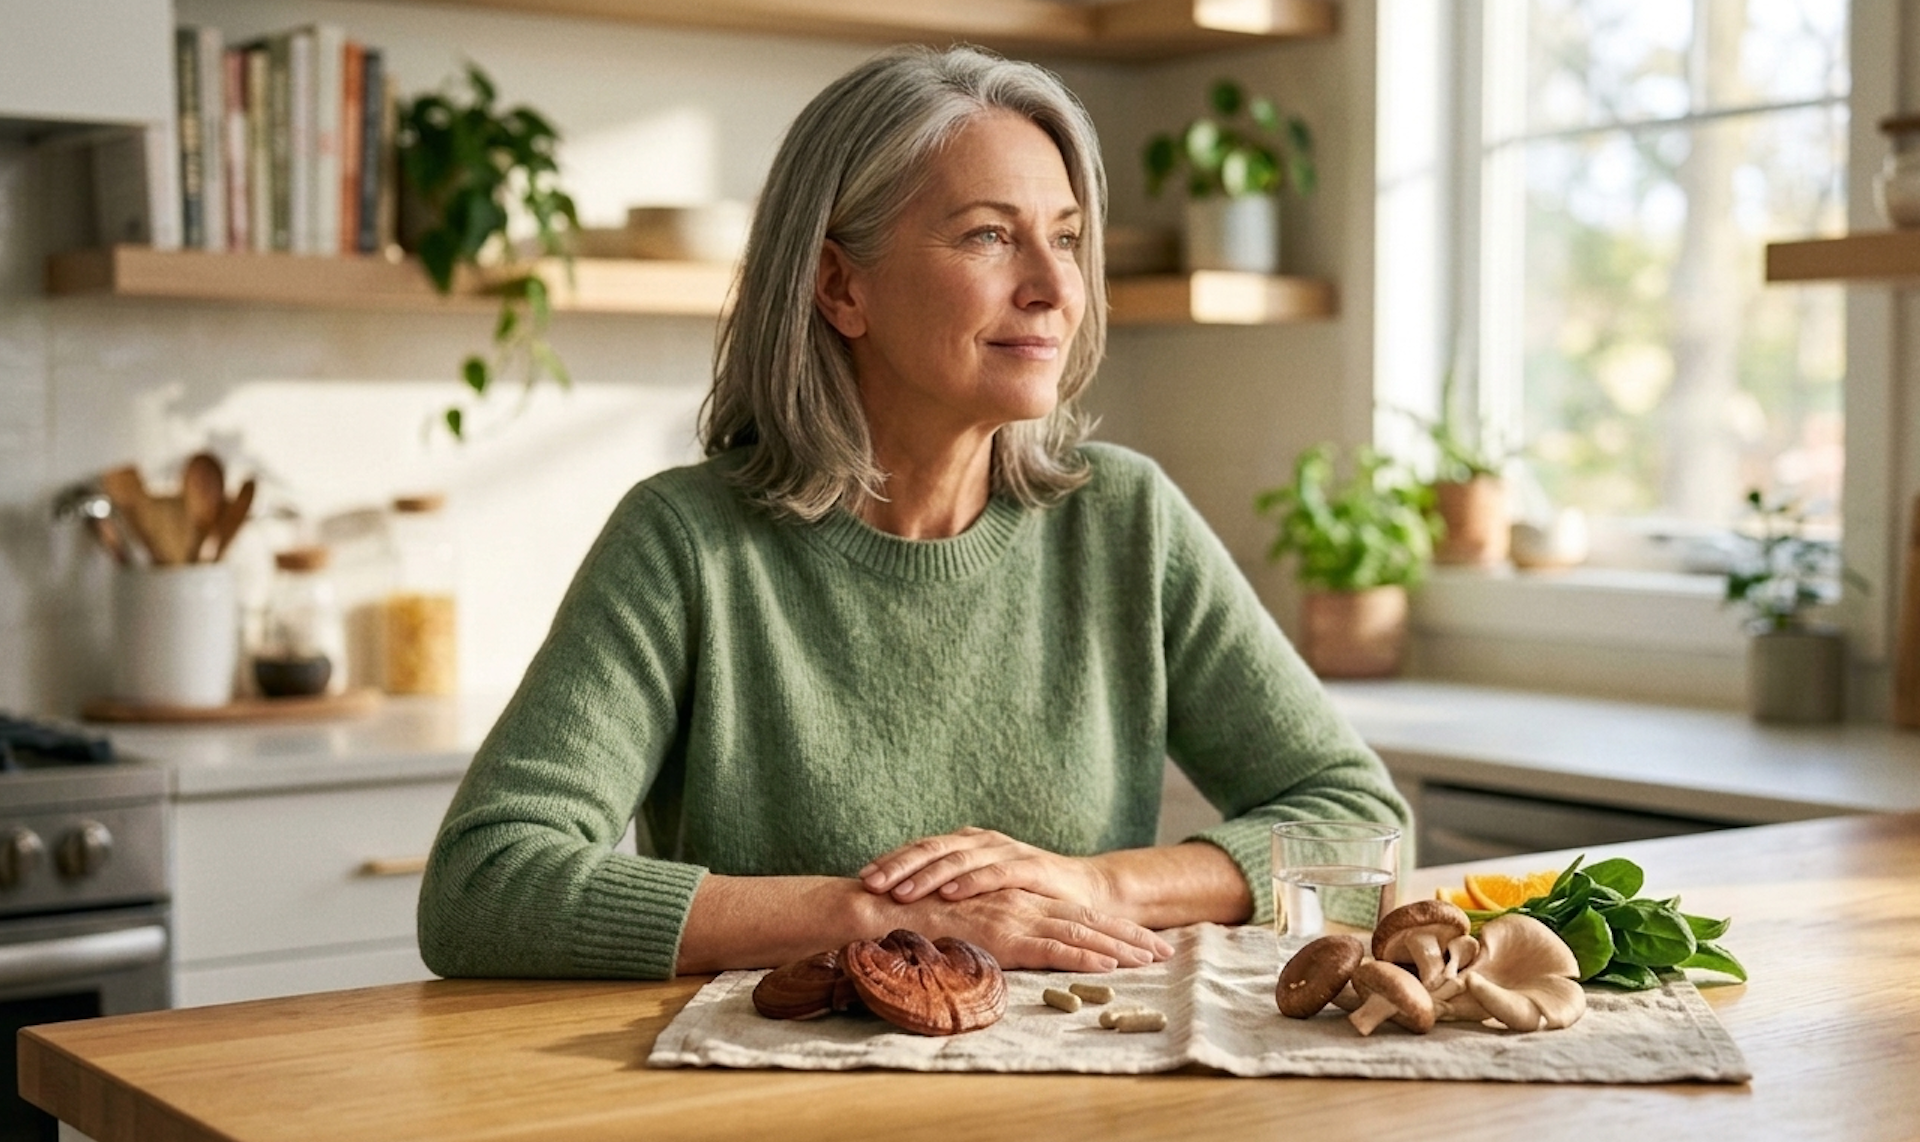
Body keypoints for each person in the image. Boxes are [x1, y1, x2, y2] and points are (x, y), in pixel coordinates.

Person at [417, 45, 1409, 982]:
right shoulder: (686, 542)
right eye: (989, 235)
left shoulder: (1126, 519)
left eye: (1066, 238)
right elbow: (486, 881)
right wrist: (881, 915)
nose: (1055, 286)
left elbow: (1360, 818)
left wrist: (1096, 883)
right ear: (840, 285)